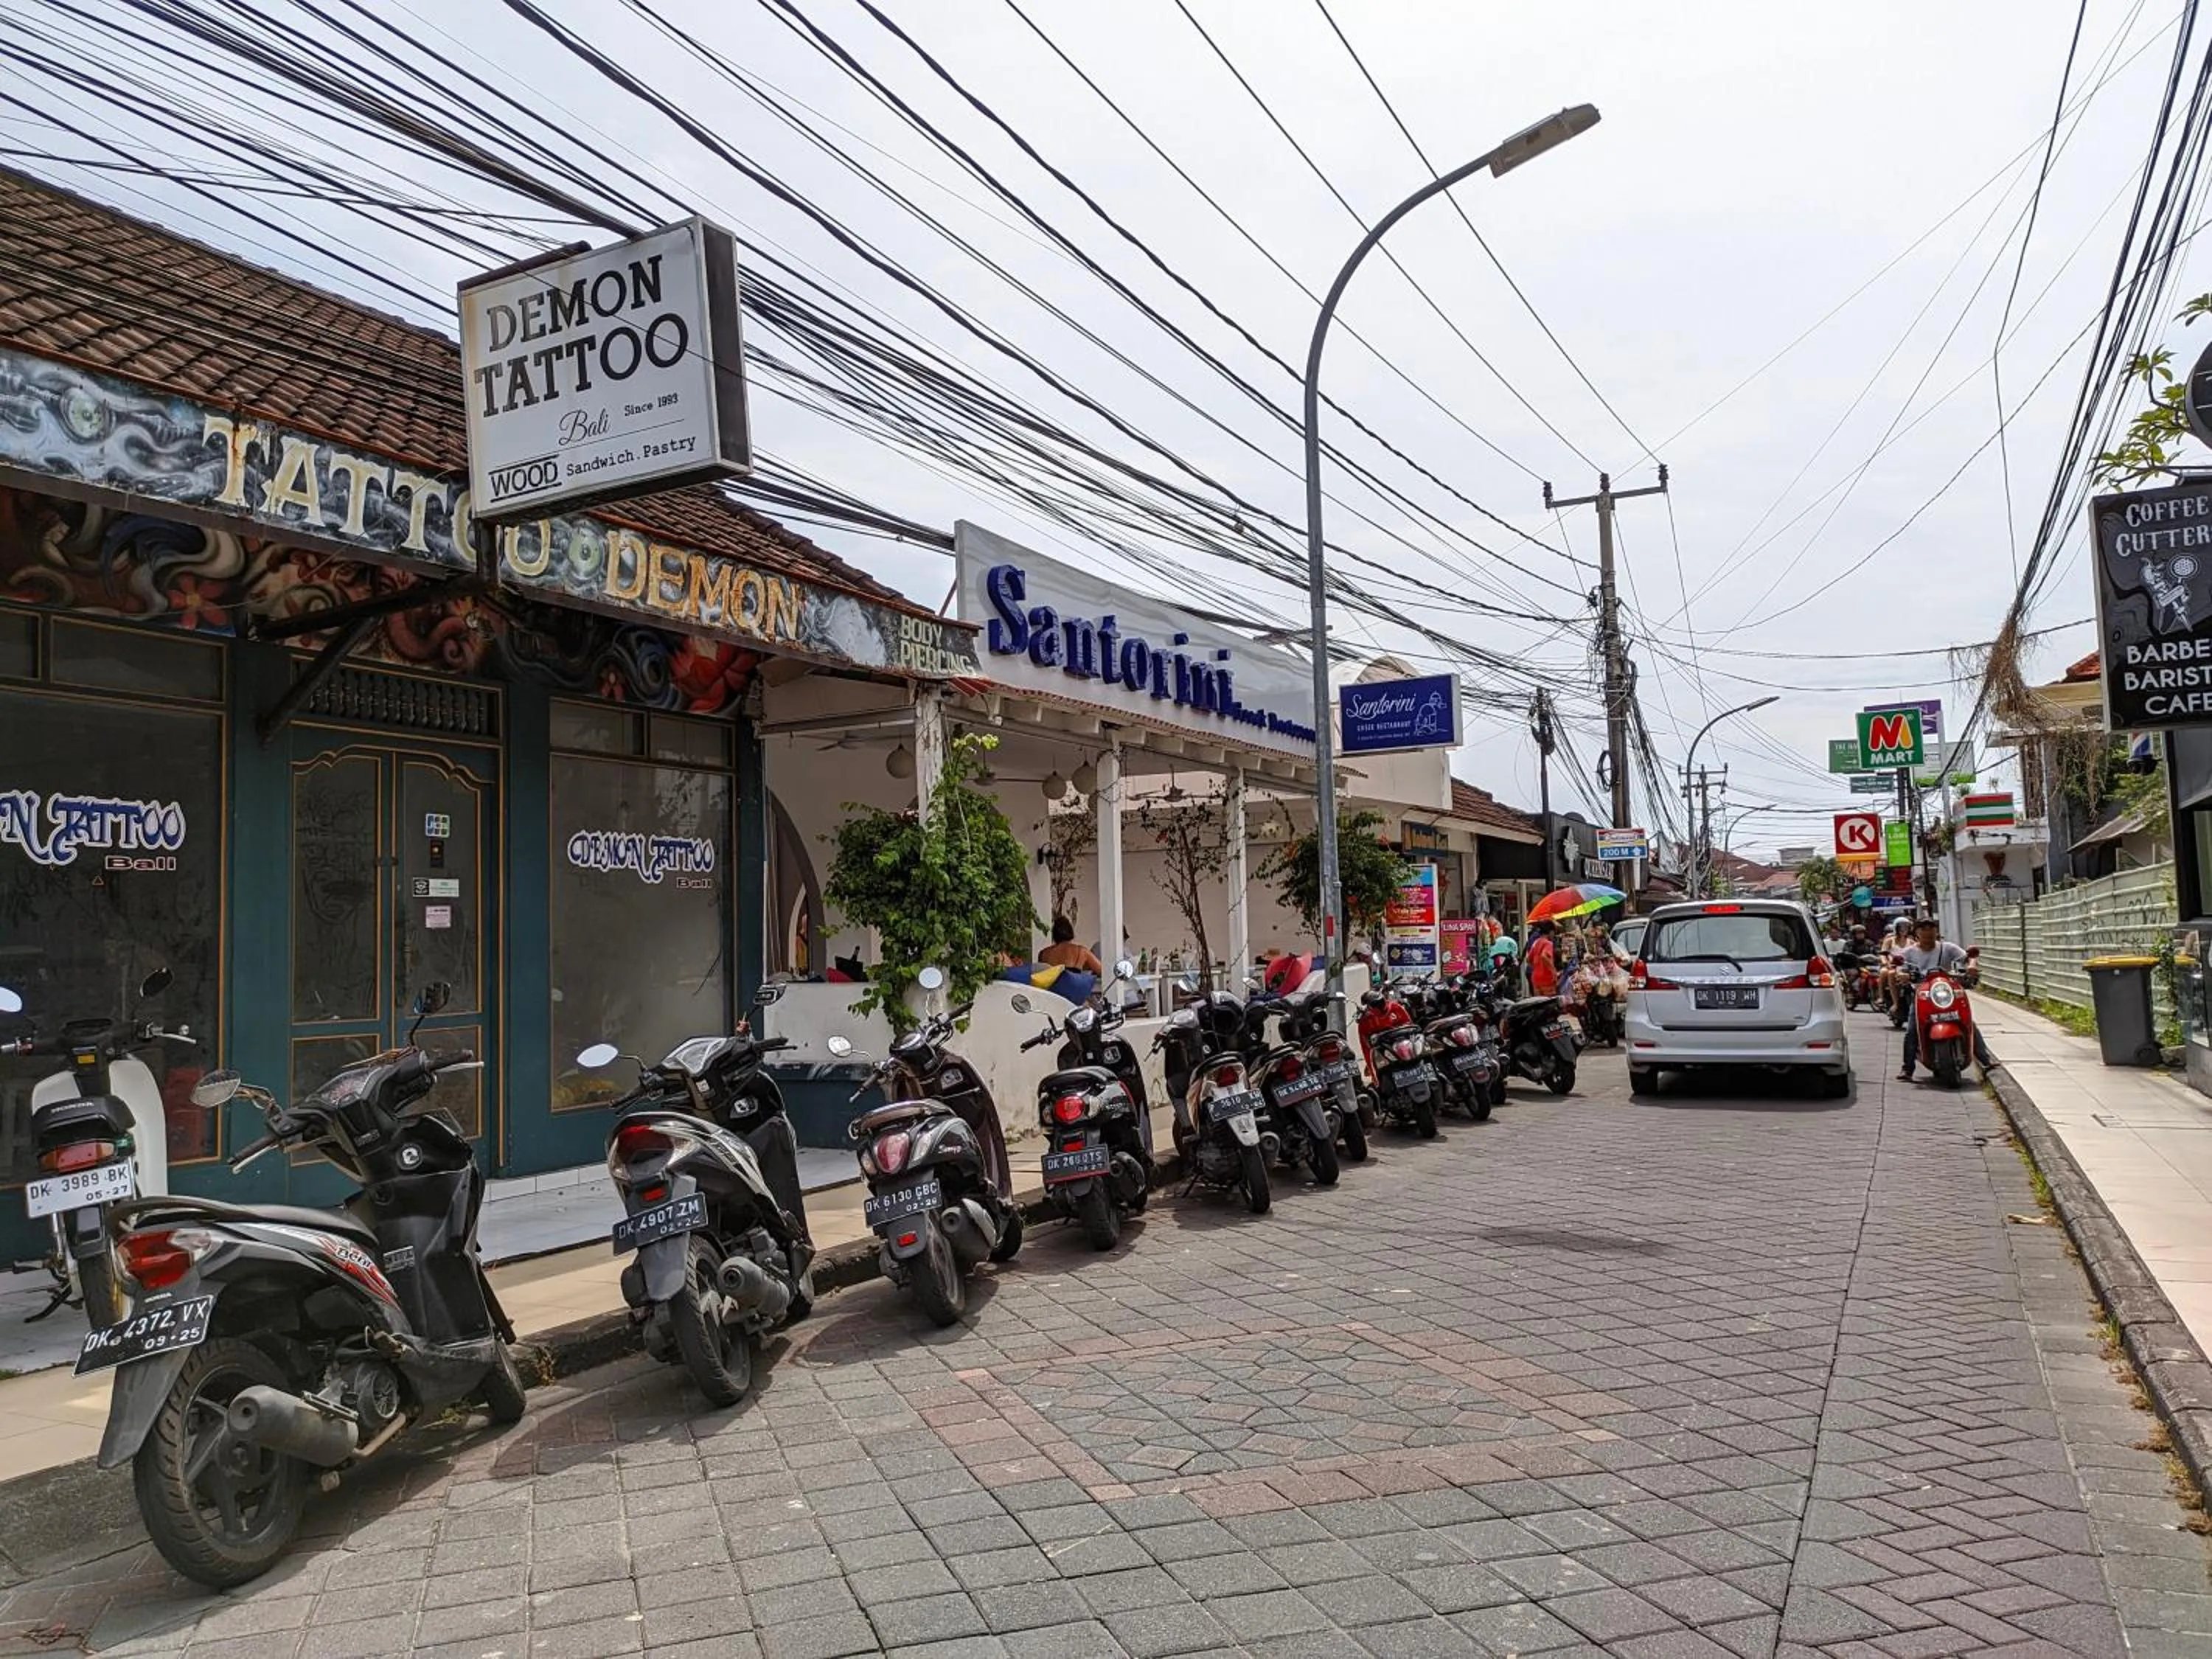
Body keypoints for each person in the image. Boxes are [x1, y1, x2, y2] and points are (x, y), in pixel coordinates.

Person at [1896, 915, 1997, 1082]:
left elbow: (1968, 957)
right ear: (1916, 933)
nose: (1928, 932)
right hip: (1922, 994)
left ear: (1937, 931)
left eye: (1931, 928)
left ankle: (1986, 1060)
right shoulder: (1909, 953)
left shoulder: (1948, 948)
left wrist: (1972, 966)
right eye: (1923, 929)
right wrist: (1903, 975)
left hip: (1946, 990)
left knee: (1967, 1022)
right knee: (1912, 1030)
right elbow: (1900, 968)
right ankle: (1907, 1068)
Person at [1039, 916, 1104, 977]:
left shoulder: (1043, 954)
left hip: (1050, 989)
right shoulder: (1081, 951)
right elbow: (1102, 972)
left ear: (1054, 934)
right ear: (1071, 932)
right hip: (1072, 988)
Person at [1526, 922, 1559, 998]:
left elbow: (1528, 960)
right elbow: (1544, 956)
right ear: (1550, 931)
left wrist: (1537, 967)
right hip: (1547, 978)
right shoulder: (1548, 943)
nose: (1554, 935)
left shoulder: (1536, 942)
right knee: (1549, 1003)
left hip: (1536, 978)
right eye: (1554, 932)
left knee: (1539, 1004)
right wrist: (1553, 971)